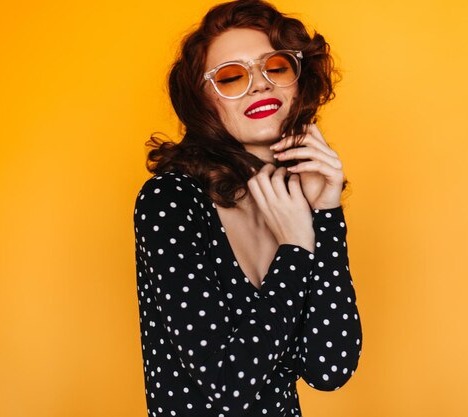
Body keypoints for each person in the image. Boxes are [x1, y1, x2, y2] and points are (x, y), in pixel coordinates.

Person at [133, 1, 362, 415]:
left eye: (275, 67)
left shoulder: (297, 200)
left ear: (299, 82)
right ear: (203, 103)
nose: (259, 84)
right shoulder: (171, 200)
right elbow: (226, 384)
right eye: (232, 76)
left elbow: (330, 367)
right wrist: (294, 250)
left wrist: (327, 212)